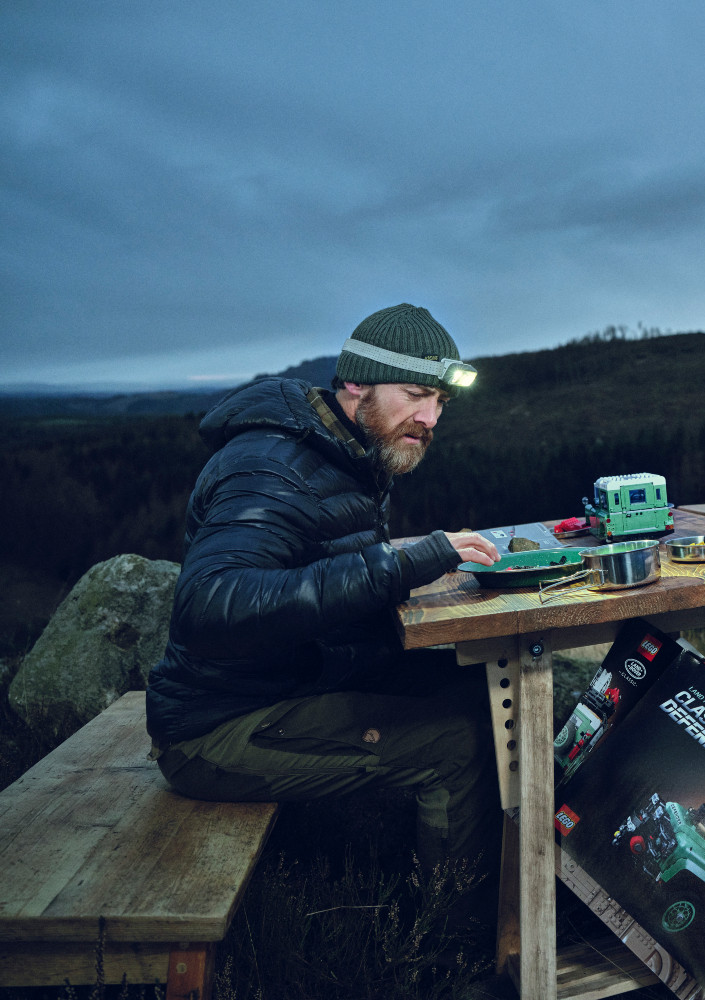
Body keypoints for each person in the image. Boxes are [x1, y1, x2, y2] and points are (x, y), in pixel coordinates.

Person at [146, 303, 505, 960]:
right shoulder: (271, 464)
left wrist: (407, 570)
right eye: (416, 395)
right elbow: (210, 603)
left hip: (286, 683)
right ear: (357, 385)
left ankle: (505, 887)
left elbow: (322, 572)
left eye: (440, 401)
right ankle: (447, 956)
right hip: (217, 727)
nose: (430, 418)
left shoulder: (345, 451)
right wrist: (397, 563)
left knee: (474, 683)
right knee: (455, 744)